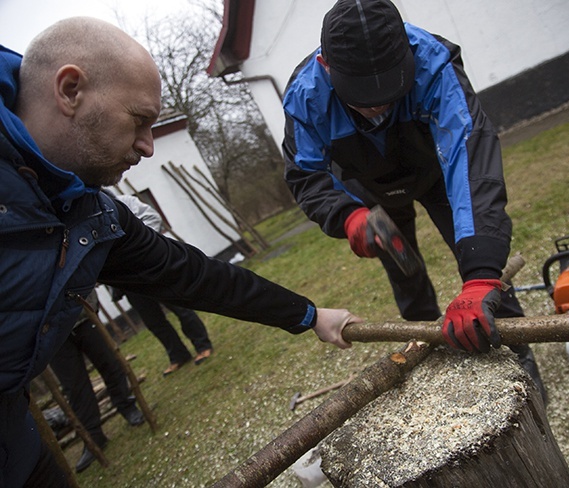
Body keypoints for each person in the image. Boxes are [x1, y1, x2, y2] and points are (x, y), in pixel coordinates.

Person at [0, 17, 361, 488]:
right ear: (70, 90)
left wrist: (310, 316)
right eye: (139, 121)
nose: (148, 147)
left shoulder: (87, 213)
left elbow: (193, 275)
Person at [282, 0, 545, 395]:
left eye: (389, 90)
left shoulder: (433, 63)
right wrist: (346, 216)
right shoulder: (306, 97)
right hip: (370, 193)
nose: (377, 106)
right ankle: (430, 349)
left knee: (483, 271)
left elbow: (468, 154)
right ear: (326, 65)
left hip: (436, 174)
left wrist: (481, 272)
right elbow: (306, 174)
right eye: (361, 96)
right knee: (407, 275)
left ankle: (518, 357)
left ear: (406, 53)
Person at [112, 194, 214, 375]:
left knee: (180, 307)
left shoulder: (123, 202)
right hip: (126, 279)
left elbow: (152, 217)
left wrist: (139, 248)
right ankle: (178, 355)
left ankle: (202, 345)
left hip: (152, 268)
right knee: (153, 321)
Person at [49, 289, 145, 473]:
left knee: (109, 364)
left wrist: (87, 300)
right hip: (50, 332)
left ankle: (127, 406)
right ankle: (94, 436)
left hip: (81, 313)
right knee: (74, 386)